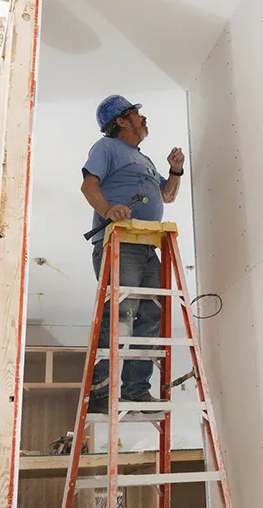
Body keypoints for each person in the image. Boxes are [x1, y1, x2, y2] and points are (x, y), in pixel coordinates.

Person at [80, 95, 184, 414]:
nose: (143, 119)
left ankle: (136, 391)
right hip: (120, 242)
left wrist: (175, 171)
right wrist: (109, 210)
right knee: (121, 315)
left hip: (147, 244)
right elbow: (88, 186)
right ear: (122, 121)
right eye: (137, 115)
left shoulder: (145, 160)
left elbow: (166, 196)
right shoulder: (106, 148)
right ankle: (100, 392)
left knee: (151, 316)